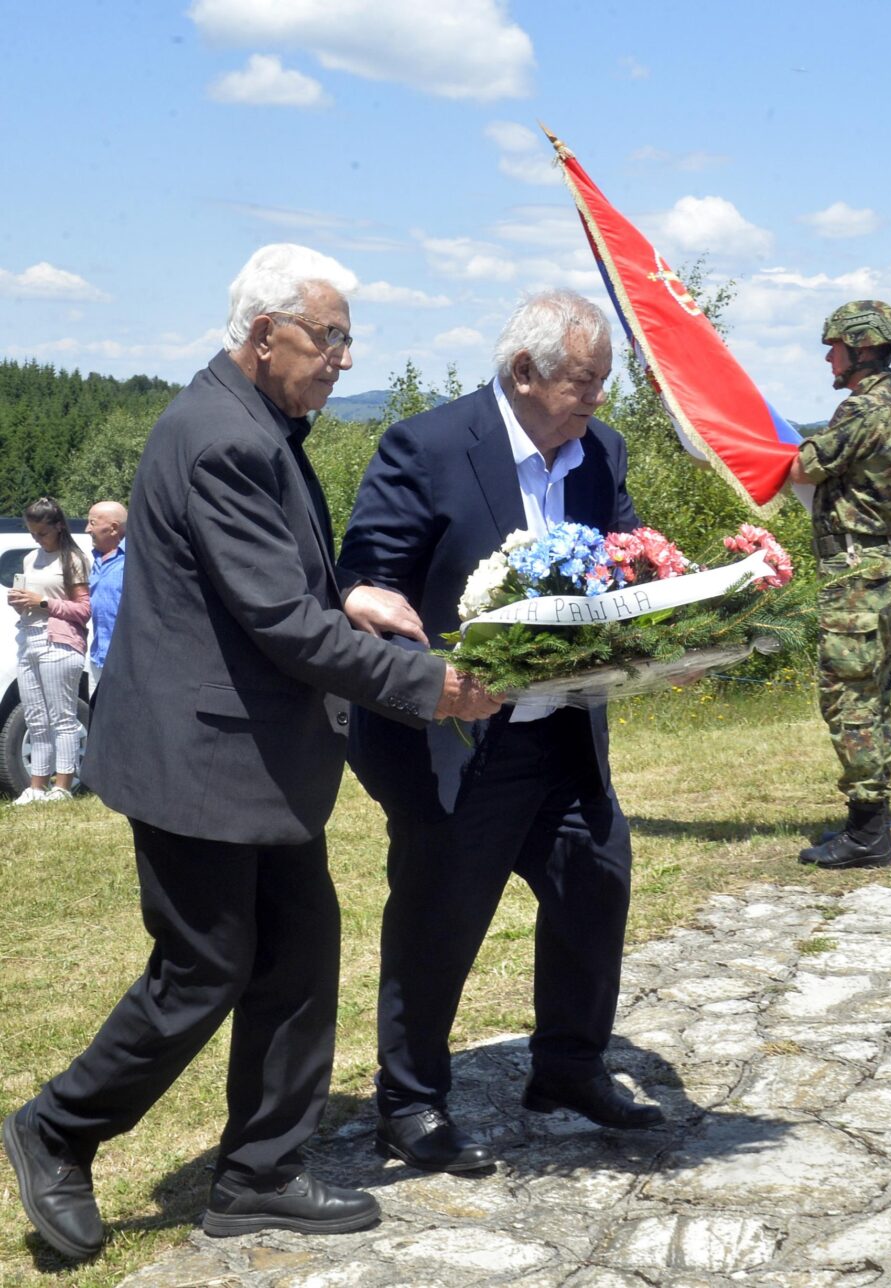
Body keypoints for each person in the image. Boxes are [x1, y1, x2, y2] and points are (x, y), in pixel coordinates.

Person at [1, 243, 499, 1262]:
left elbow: (274, 589)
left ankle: (258, 1175)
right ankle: (57, 1127)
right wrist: (427, 684)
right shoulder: (223, 436)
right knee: (204, 967)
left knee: (301, 953)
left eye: (348, 341)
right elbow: (279, 622)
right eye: (330, 338)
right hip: (201, 763)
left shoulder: (254, 421)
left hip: (251, 764)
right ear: (263, 334)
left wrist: (349, 595)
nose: (341, 361)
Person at [337, 289, 656, 1177]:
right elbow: (366, 580)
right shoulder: (427, 446)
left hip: (563, 734)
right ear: (524, 372)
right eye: (583, 381)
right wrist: (430, 668)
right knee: (439, 921)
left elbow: (628, 556)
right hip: (457, 743)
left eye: (602, 381)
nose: (596, 398)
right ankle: (408, 1103)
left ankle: (567, 1070)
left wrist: (684, 625)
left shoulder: (601, 453)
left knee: (597, 886)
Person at [787, 300, 891, 870]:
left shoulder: (863, 412)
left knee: (849, 701)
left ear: (862, 349)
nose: (828, 356)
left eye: (835, 346)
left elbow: (802, 468)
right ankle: (864, 821)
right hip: (887, 569)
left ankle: (870, 835)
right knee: (872, 696)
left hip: (857, 577)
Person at [7, 497, 91, 804]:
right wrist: (20, 603)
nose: (37, 539)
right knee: (35, 717)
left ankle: (63, 786)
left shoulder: (73, 559)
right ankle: (37, 787)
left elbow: (83, 610)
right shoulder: (31, 558)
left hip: (60, 642)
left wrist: (41, 602)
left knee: (62, 717)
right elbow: (30, 601)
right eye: (32, 533)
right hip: (28, 638)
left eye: (42, 533)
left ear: (58, 527)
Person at [84, 500, 126, 691]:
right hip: (98, 659)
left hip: (127, 662)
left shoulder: (137, 559)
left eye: (92, 523)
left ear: (113, 528)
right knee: (98, 719)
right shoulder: (97, 560)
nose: (87, 529)